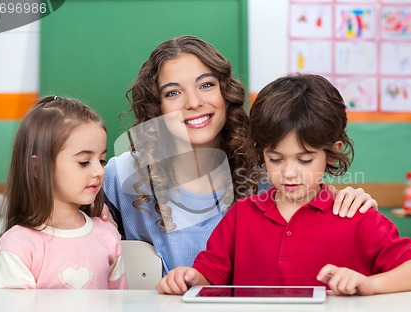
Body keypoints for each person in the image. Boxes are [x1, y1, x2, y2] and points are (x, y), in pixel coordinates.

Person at [103, 35, 379, 275]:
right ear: (157, 106)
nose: (194, 102)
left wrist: (351, 203)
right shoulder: (125, 173)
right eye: (173, 92)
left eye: (206, 85)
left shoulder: (267, 170)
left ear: (227, 93)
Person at [156, 74, 411, 296]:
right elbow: (209, 275)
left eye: (304, 160)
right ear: (261, 152)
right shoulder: (242, 215)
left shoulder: (354, 214)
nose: (289, 173)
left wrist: (369, 284)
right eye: (276, 158)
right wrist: (190, 278)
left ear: (332, 151)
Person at [0, 96, 127, 289]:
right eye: (84, 162)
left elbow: (121, 307)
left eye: (102, 161)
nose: (99, 171)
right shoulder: (18, 245)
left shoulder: (107, 235)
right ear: (37, 166)